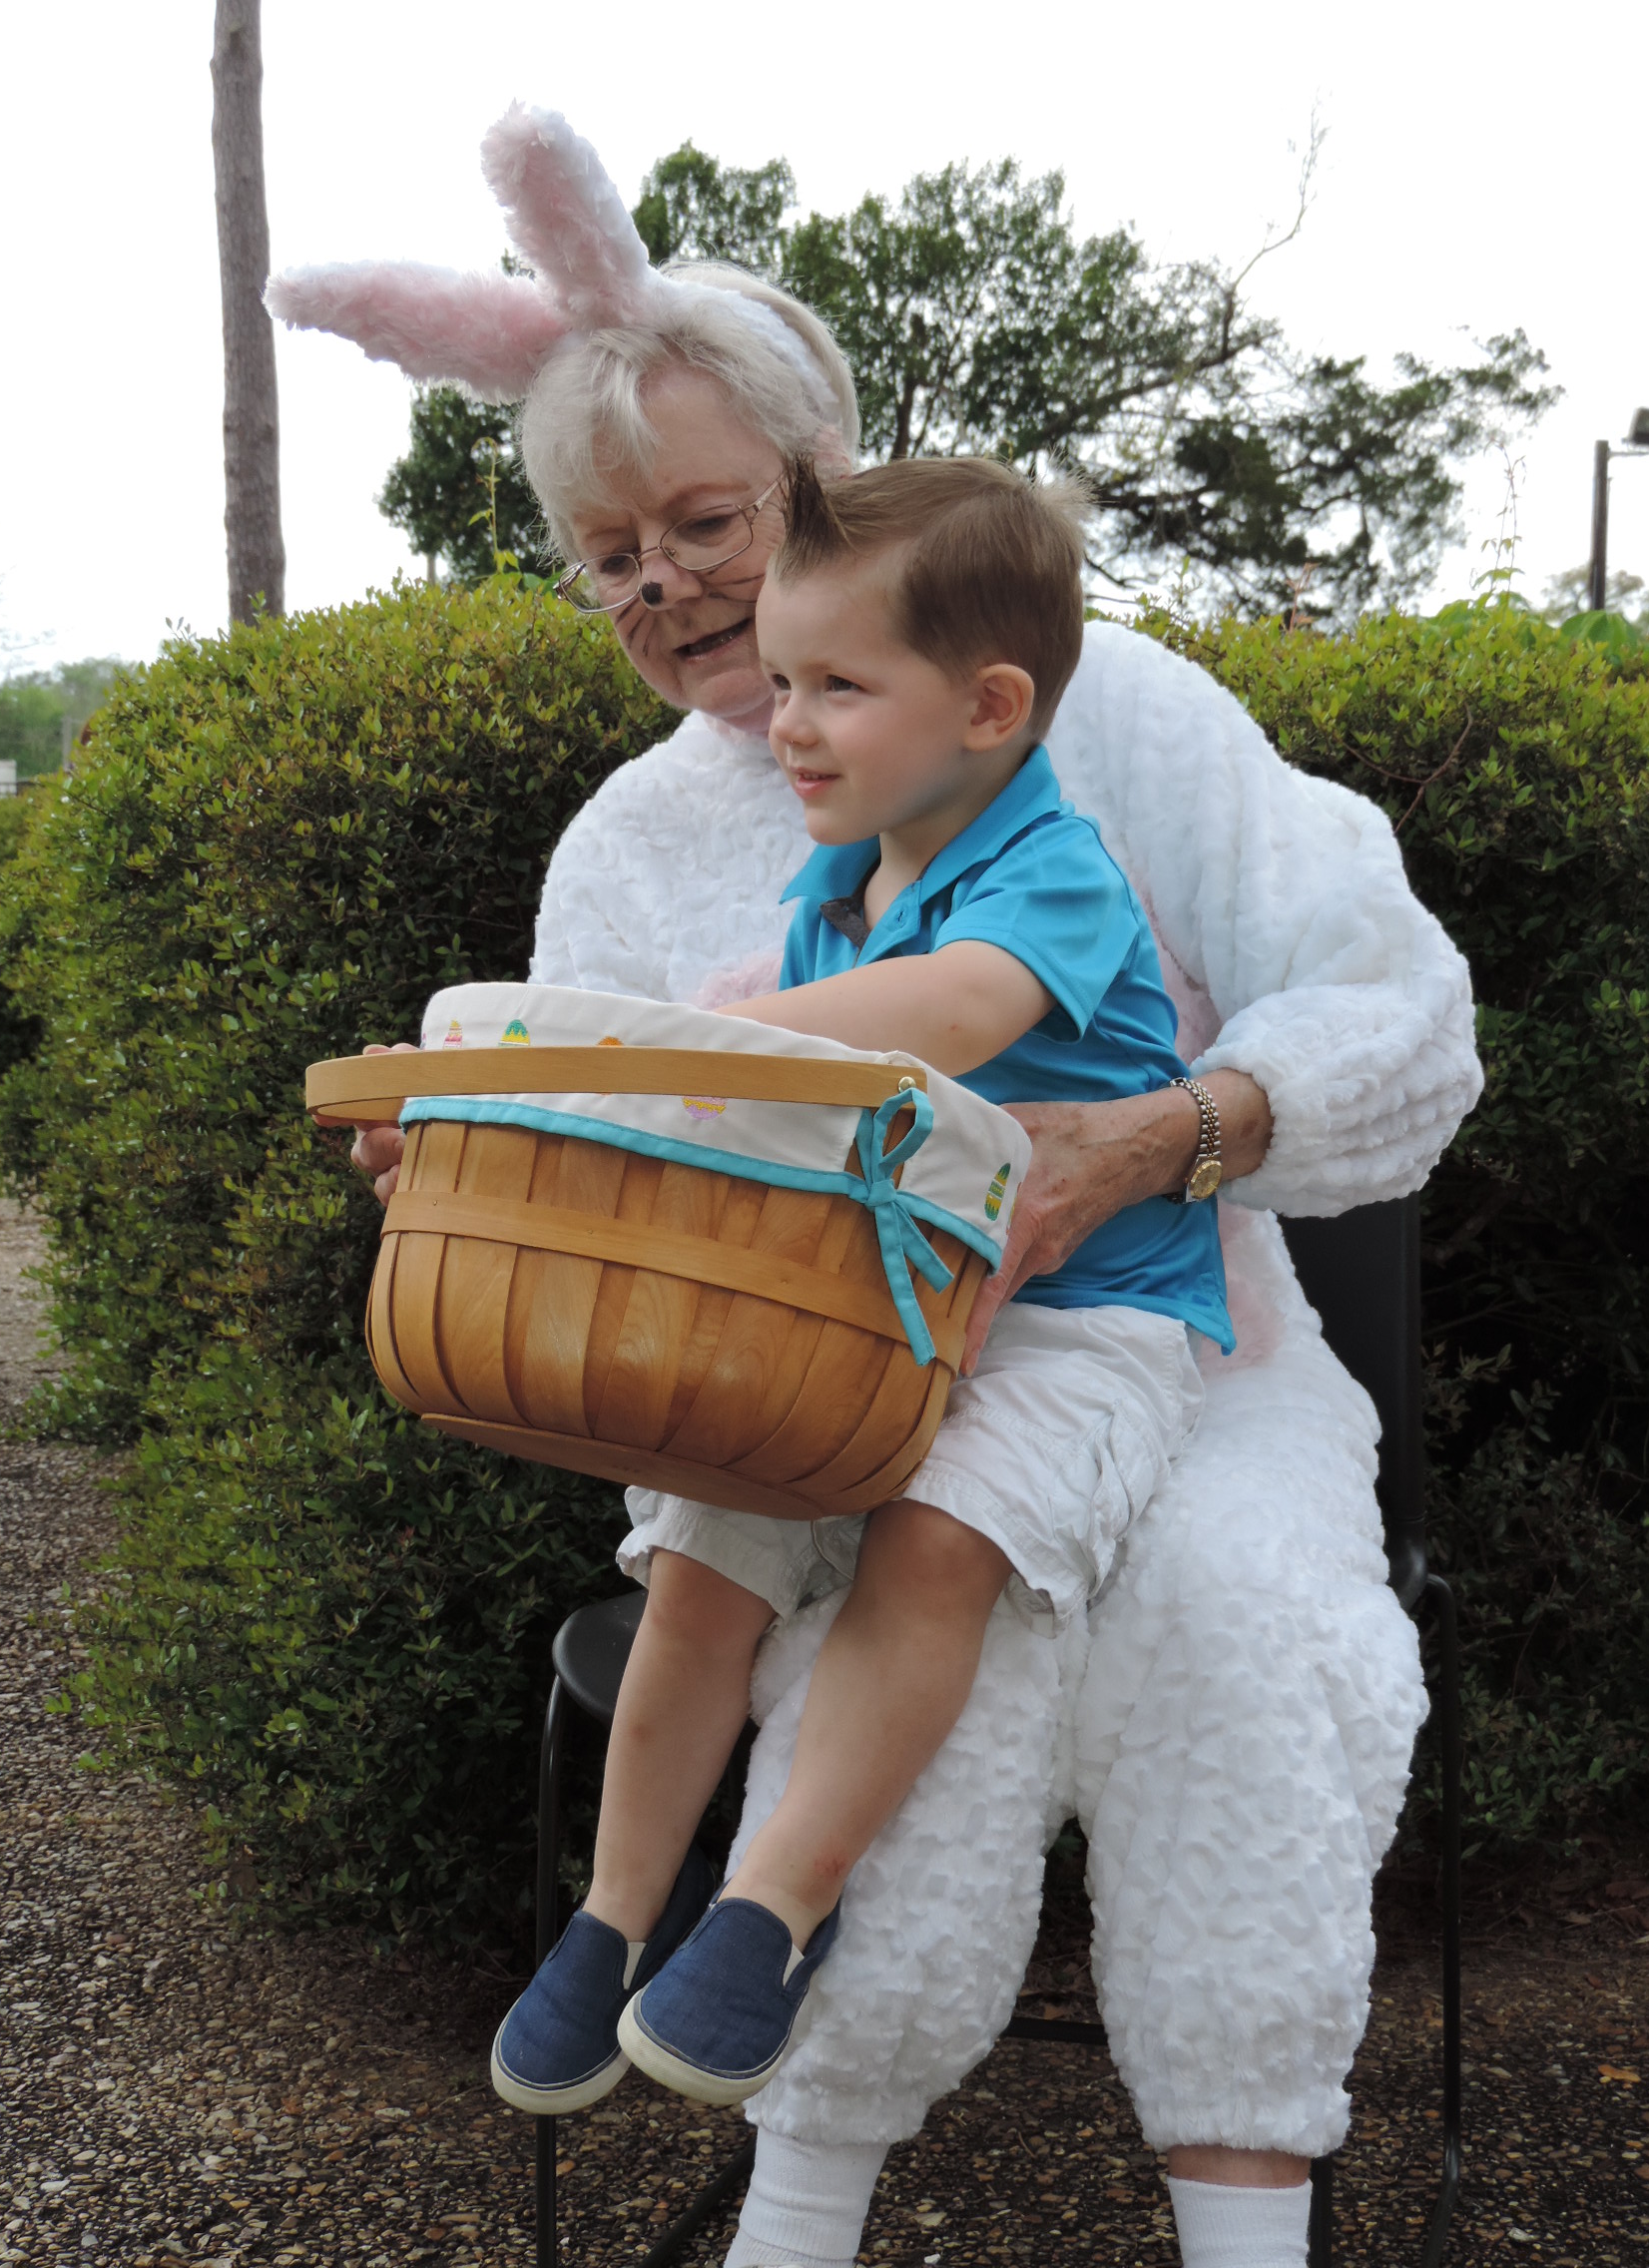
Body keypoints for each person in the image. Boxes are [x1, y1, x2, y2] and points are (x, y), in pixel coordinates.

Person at [272, 105, 1481, 2268]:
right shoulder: (631, 852)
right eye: (610, 553)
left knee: (1231, 1611)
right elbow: (602, 1152)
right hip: (809, 1384)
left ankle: (1244, 2211)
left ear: (821, 482)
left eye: (707, 518)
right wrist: (470, 1158)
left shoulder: (1120, 724)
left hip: (1170, 1348)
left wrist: (1175, 1128)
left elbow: (1397, 1004)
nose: (666, 584)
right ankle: (795, 2180)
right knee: (912, 1616)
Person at [489, 452, 1233, 2118]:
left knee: (940, 1536)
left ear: (987, 705)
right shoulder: (829, 889)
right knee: (706, 1537)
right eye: (783, 673)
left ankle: (775, 1906)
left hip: (1079, 1320)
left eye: (836, 684)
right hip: (878, 1301)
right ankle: (613, 1915)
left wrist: (656, 1049)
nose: (786, 718)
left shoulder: (1053, 869)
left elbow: (955, 1018)